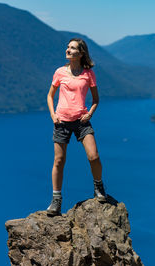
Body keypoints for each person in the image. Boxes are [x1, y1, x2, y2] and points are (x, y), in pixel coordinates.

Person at [46, 38, 107, 216]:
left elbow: (96, 100)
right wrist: (53, 114)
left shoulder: (88, 74)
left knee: (94, 156)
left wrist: (90, 114)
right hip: (61, 122)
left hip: (82, 122)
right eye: (67, 47)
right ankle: (56, 200)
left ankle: (98, 186)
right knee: (59, 161)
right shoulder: (59, 72)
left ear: (80, 54)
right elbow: (50, 96)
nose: (68, 50)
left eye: (72, 48)